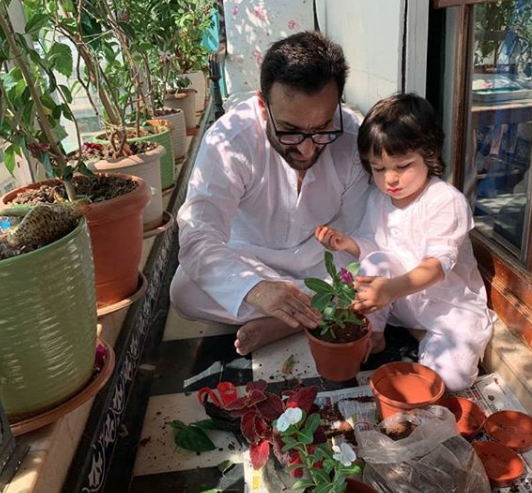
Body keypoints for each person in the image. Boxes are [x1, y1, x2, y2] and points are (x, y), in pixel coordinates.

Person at [170, 31, 370, 355]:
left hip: (322, 259)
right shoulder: (229, 142)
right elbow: (199, 236)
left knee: (375, 268)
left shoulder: (353, 134)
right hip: (251, 257)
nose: (307, 149)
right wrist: (256, 288)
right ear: (263, 106)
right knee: (184, 291)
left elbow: (364, 231)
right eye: (291, 131)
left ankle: (288, 321)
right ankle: (320, 309)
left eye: (322, 128)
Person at [315, 93, 494, 391]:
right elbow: (374, 245)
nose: (390, 180)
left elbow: (436, 266)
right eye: (378, 168)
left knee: (452, 380)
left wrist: (390, 289)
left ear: (429, 155)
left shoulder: (445, 201)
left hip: (445, 306)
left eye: (402, 166)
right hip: (398, 300)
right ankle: (377, 334)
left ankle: (421, 335)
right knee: (374, 263)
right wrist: (347, 243)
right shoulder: (379, 198)